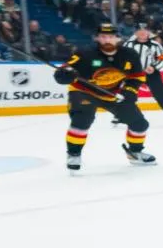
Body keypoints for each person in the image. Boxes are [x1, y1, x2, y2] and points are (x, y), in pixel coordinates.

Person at [53, 22, 156, 171]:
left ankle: (135, 152)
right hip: (84, 91)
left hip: (113, 95)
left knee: (140, 124)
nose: (107, 40)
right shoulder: (84, 53)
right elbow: (65, 69)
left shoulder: (130, 55)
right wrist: (62, 74)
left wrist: (129, 92)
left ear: (118, 38)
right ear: (97, 38)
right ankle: (74, 154)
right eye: (103, 37)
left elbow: (137, 77)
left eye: (110, 36)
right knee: (81, 120)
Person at [122, 24, 163, 125]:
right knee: (126, 94)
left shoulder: (155, 45)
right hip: (132, 74)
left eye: (145, 30)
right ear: (135, 32)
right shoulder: (128, 44)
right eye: (140, 30)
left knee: (161, 95)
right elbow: (121, 58)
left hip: (151, 74)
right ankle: (120, 116)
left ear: (149, 32)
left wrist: (154, 67)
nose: (143, 32)